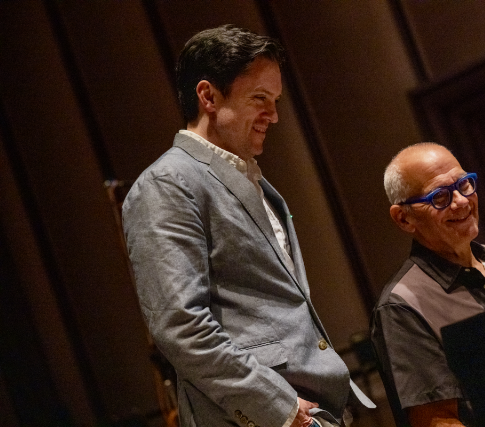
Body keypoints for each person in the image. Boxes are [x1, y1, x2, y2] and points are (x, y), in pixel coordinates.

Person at [122, 25, 373, 427]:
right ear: (208, 96)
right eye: (260, 99)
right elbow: (182, 326)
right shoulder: (167, 184)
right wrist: (280, 409)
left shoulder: (253, 180)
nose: (274, 115)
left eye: (275, 101)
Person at [370, 143, 485, 427]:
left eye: (464, 184)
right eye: (440, 196)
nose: (462, 201)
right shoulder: (401, 306)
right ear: (404, 218)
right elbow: (437, 421)